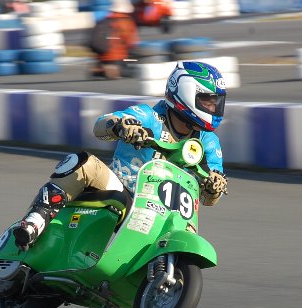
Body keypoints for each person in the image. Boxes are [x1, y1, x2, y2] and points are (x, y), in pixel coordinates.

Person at [12, 60, 229, 250]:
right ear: (185, 93)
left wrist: (214, 187)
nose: (213, 108)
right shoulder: (149, 115)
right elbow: (100, 126)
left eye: (216, 102)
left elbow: (208, 200)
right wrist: (121, 126)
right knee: (83, 162)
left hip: (169, 212)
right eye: (207, 101)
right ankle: (35, 220)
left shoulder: (209, 142)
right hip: (125, 193)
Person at [90, 0, 138, 80]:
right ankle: (114, 70)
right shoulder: (126, 21)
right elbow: (131, 43)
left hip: (101, 57)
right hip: (117, 57)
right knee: (134, 71)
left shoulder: (104, 20)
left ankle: (101, 68)